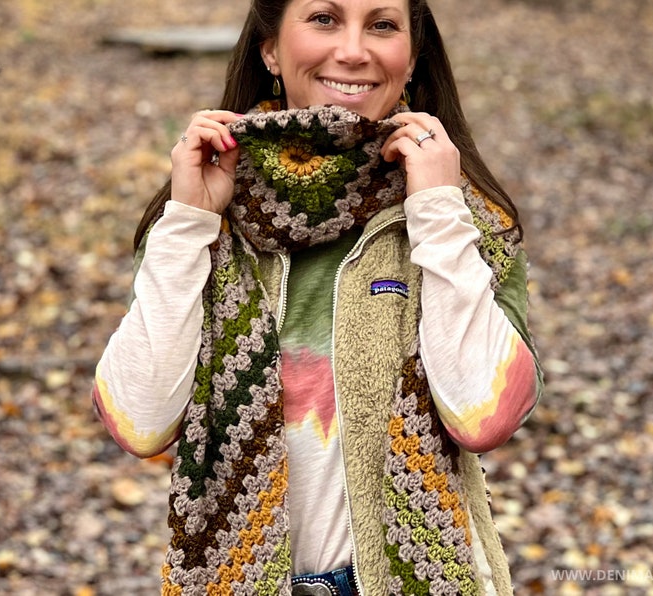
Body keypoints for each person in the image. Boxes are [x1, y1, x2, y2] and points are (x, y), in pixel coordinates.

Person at [92, 0, 543, 594]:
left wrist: (437, 209)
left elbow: (485, 416)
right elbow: (141, 425)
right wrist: (188, 223)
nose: (354, 50)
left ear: (412, 57)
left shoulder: (467, 220)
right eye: (324, 19)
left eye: (382, 25)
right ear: (270, 48)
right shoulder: (201, 217)